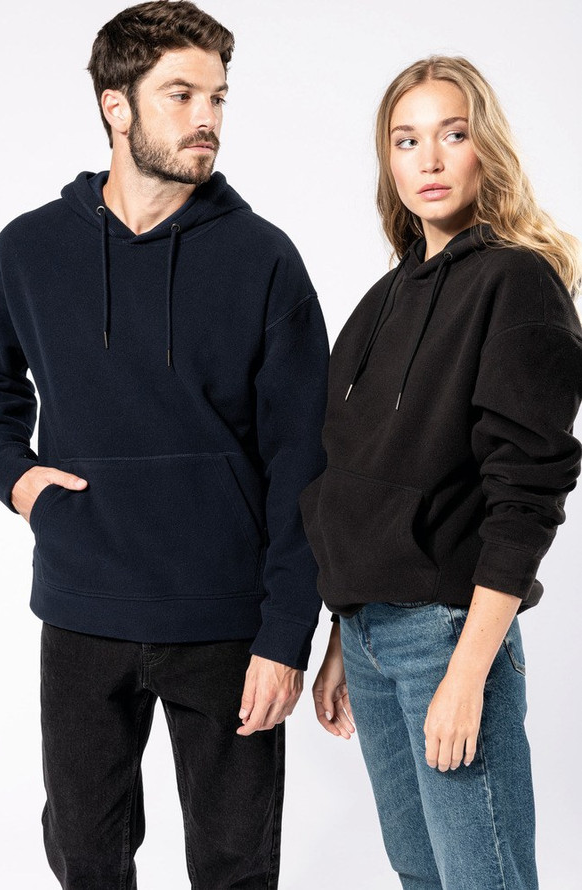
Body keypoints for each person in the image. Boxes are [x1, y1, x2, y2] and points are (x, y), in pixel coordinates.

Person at [0, 1, 328, 887]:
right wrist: (16, 478)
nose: (206, 117)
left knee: (234, 865)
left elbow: (304, 461)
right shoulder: (28, 250)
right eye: (181, 95)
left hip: (226, 621)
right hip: (81, 608)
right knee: (85, 856)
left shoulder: (264, 259)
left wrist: (285, 635)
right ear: (116, 106)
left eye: (217, 97)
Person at [300, 55, 582, 890]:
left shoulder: (516, 282)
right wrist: (342, 632)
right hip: (368, 637)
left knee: (482, 880)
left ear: (483, 146)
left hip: (447, 636)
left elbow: (526, 493)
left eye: (451, 135)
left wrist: (466, 674)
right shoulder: (381, 300)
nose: (427, 159)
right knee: (420, 877)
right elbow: (351, 477)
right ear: (387, 160)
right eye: (405, 140)